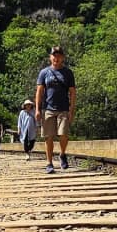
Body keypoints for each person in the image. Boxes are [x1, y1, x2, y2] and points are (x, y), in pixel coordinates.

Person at [35, 45, 76, 174]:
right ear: (50, 57)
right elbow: (39, 92)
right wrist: (37, 109)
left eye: (58, 56)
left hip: (63, 108)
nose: (56, 58)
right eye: (54, 56)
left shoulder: (68, 73)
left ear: (62, 58)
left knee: (63, 135)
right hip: (48, 108)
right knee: (48, 137)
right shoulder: (44, 72)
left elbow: (72, 93)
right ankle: (49, 163)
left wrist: (71, 110)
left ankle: (62, 154)